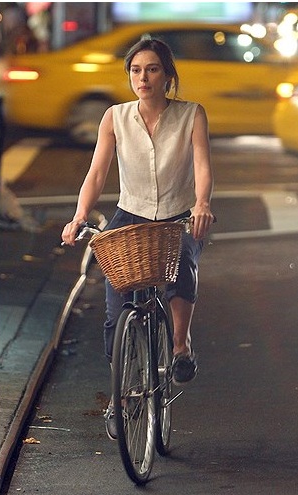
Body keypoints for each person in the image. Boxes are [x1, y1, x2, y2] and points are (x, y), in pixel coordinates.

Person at [61, 36, 214, 440]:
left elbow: (201, 164)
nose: (143, 78)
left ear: (167, 75)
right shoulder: (115, 117)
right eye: (135, 70)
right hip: (131, 213)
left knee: (184, 259)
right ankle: (121, 394)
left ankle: (180, 348)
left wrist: (201, 203)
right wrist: (79, 215)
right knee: (116, 305)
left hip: (179, 214)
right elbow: (96, 173)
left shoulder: (191, 115)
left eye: (152, 69)